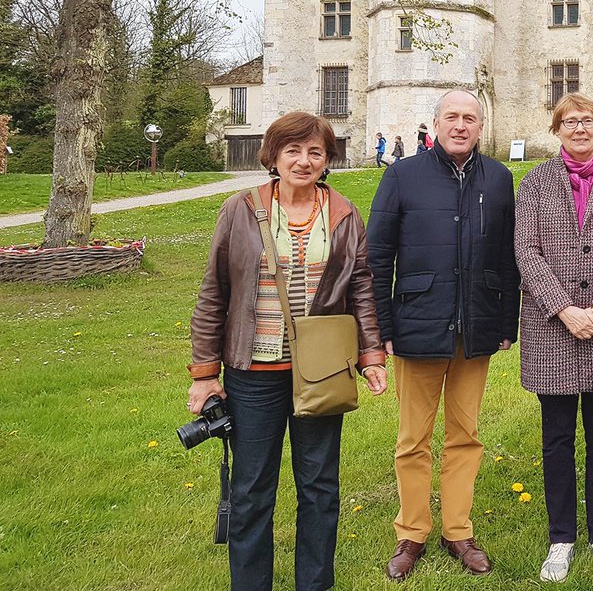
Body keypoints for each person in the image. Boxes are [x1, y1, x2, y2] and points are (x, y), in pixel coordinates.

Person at [187, 111, 388, 591]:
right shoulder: (239, 209)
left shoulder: (343, 213)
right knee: (252, 489)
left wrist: (371, 355)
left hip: (322, 370)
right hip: (253, 373)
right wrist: (205, 373)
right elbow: (214, 291)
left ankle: (313, 585)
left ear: (327, 159)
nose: (303, 160)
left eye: (315, 152)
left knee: (319, 487)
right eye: (292, 150)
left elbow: (361, 287)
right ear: (273, 156)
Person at [367, 89, 520, 581]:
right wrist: (382, 326)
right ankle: (411, 533)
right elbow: (376, 257)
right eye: (451, 117)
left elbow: (509, 256)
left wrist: (506, 321)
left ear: (481, 127)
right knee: (413, 439)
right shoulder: (402, 175)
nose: (460, 125)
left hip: (476, 325)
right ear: (435, 125)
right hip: (418, 323)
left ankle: (458, 531)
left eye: (470, 118)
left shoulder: (498, 178)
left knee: (465, 435)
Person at [515, 93, 593, 582]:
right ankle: (561, 537)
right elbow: (526, 251)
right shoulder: (535, 182)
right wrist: (564, 309)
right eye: (570, 122)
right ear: (557, 129)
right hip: (552, 329)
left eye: (587, 120)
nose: (579, 128)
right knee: (557, 439)